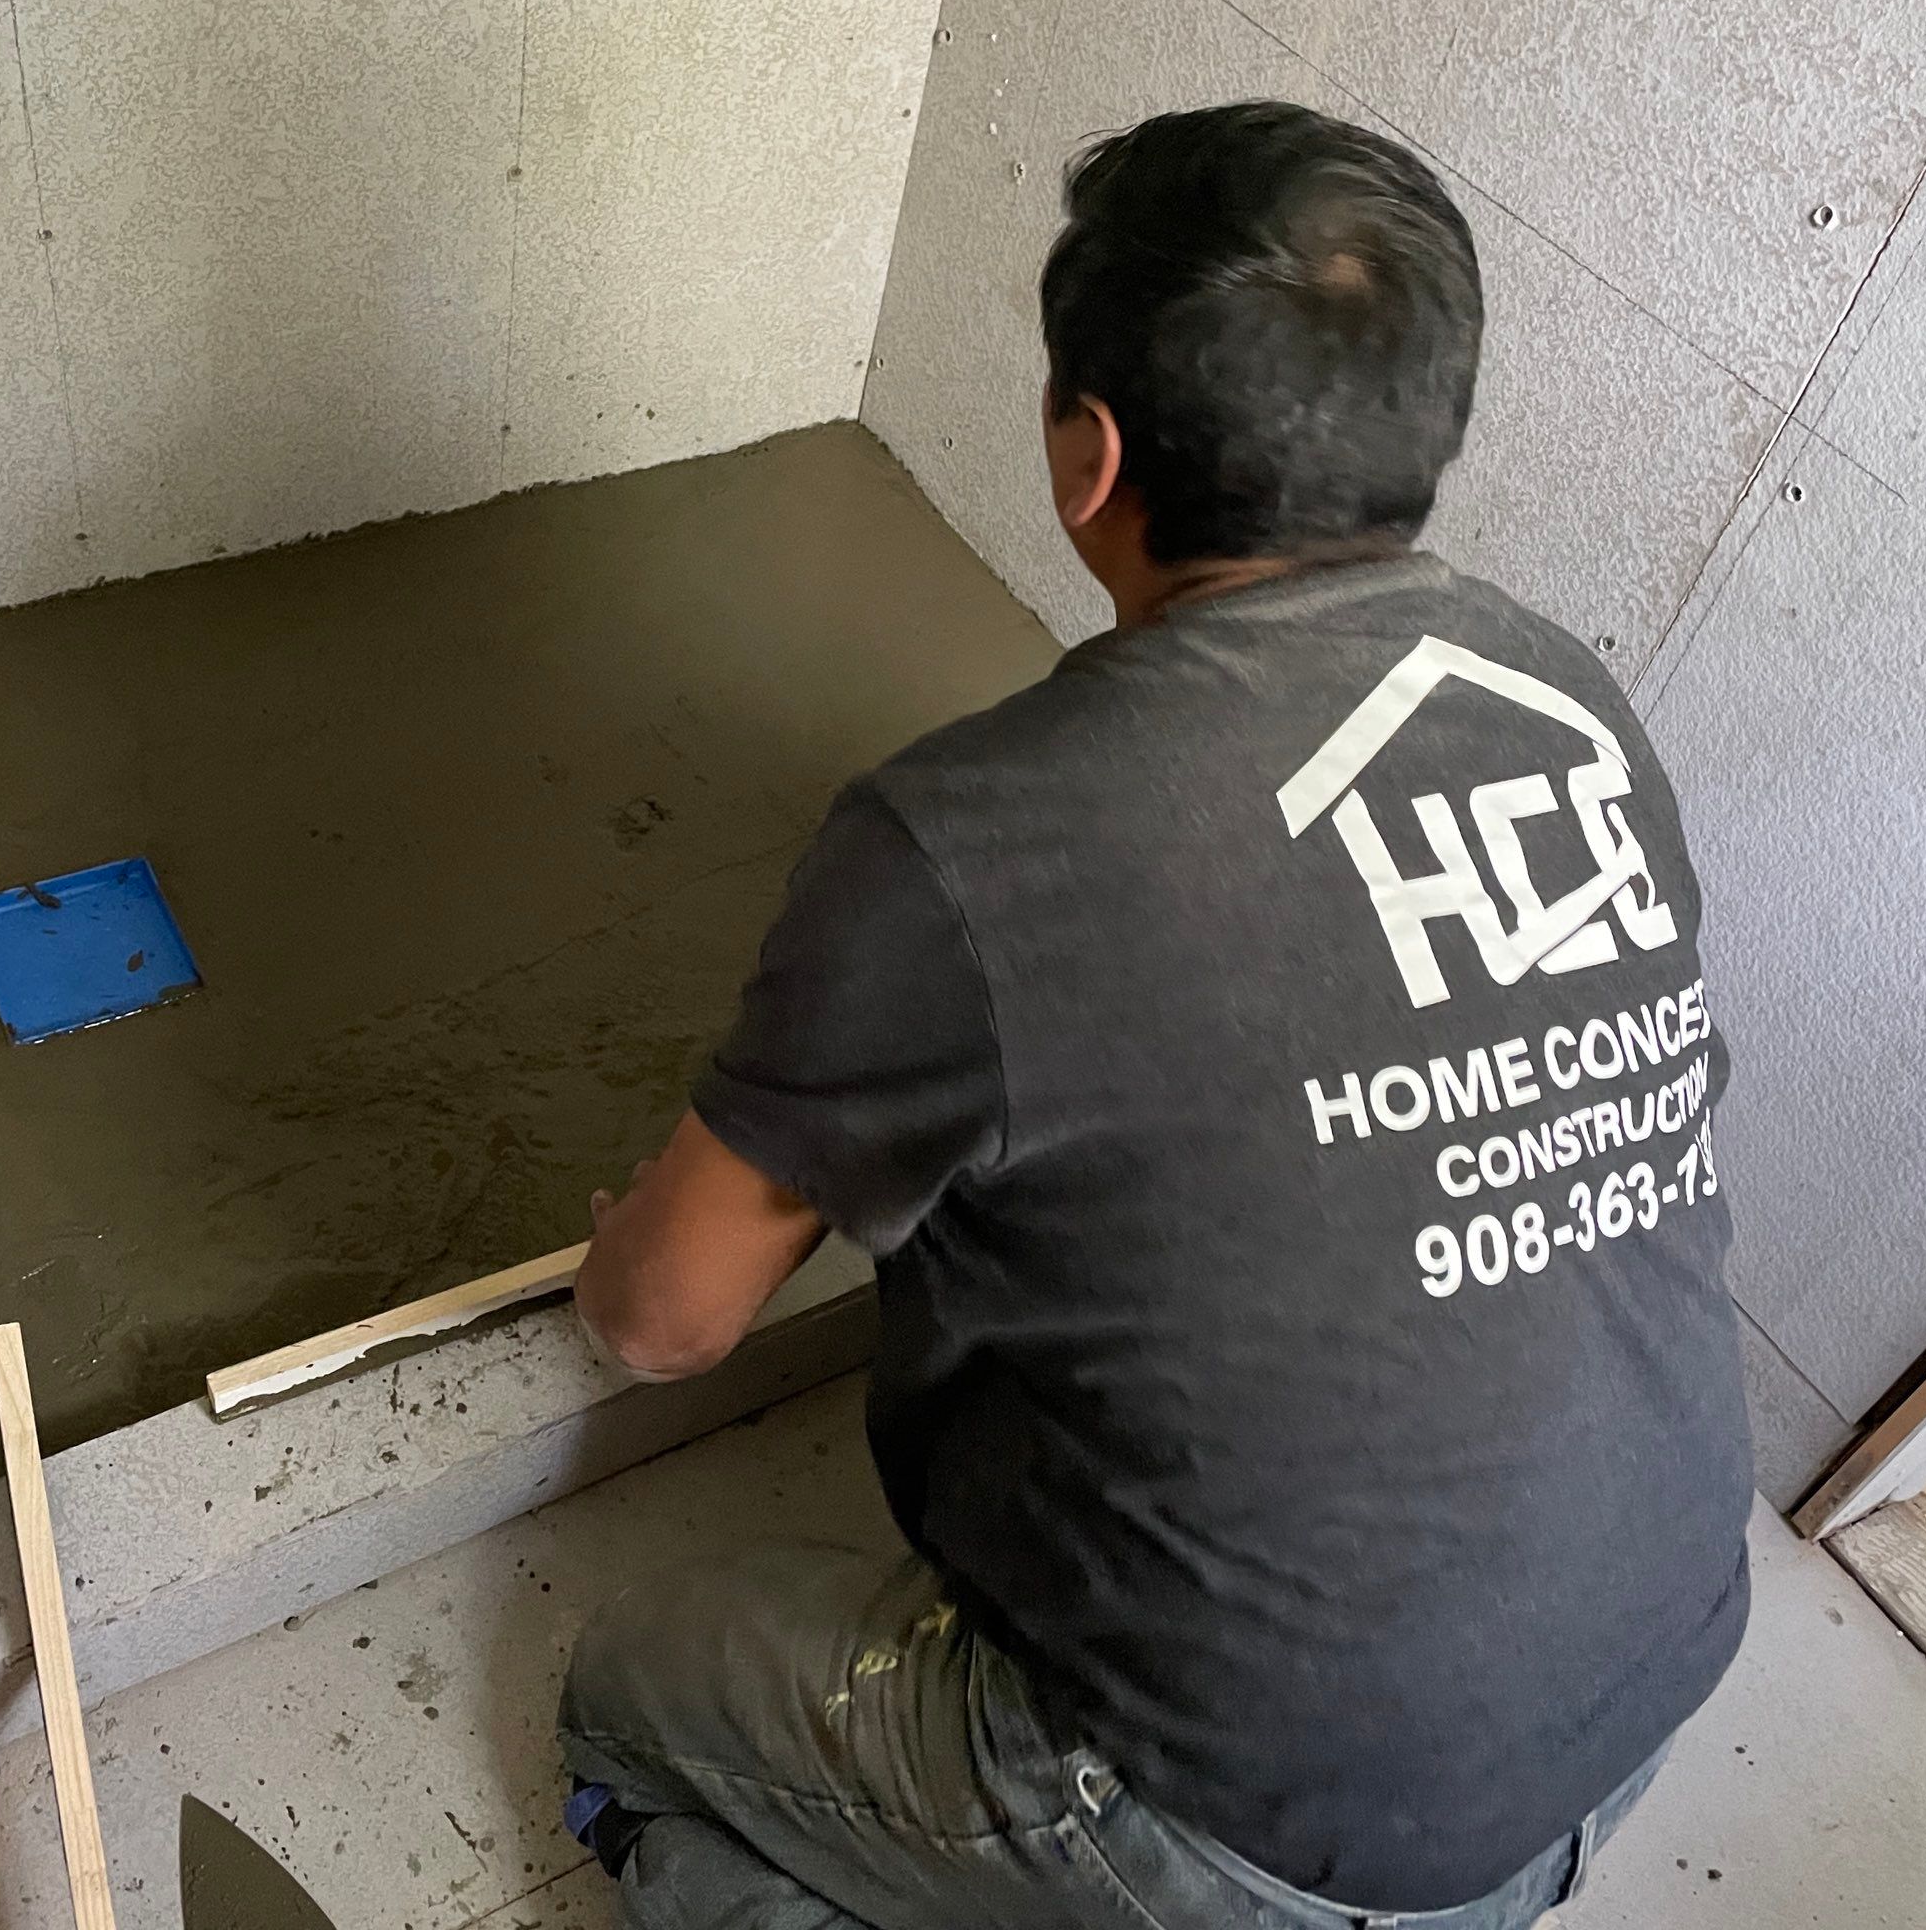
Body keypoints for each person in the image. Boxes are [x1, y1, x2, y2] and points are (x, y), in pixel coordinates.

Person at [554, 101, 1756, 1930]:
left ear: (1086, 454)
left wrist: (633, 1246)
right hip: (1641, 1693)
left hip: (1254, 1822)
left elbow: (662, 1326)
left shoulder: (971, 841)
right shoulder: (1557, 694)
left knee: (634, 1691)